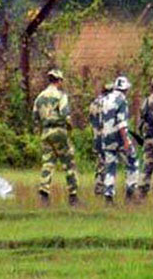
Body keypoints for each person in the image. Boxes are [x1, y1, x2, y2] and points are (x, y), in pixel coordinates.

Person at [33, 69, 80, 207]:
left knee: (48, 163)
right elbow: (66, 114)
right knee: (69, 163)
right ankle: (73, 196)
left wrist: (40, 131)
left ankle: (44, 194)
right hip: (59, 131)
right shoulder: (60, 96)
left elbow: (35, 118)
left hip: (46, 132)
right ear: (59, 80)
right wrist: (70, 129)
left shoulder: (39, 97)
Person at [101, 76, 139, 205]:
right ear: (125, 88)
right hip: (118, 137)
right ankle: (130, 193)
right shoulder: (122, 100)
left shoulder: (106, 98)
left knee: (110, 167)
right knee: (132, 162)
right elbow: (121, 123)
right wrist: (126, 141)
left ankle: (108, 197)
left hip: (106, 137)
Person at [88, 83, 113, 196]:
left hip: (96, 136)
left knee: (101, 161)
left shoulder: (94, 103)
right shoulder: (107, 103)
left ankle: (99, 186)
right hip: (107, 136)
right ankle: (105, 188)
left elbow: (91, 119)